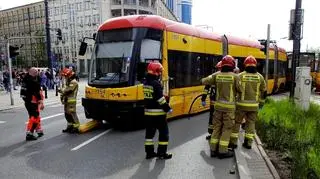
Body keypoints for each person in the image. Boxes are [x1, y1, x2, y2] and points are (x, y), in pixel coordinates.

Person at [201, 55, 241, 159]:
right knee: (227, 129)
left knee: (217, 128)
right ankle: (223, 151)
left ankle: (213, 150)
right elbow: (240, 90)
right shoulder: (235, 77)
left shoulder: (216, 75)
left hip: (217, 107)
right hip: (229, 109)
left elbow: (204, 81)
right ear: (232, 65)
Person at [229, 56, 266, 149]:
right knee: (251, 123)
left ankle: (233, 143)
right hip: (254, 106)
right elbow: (264, 91)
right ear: (255, 65)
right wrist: (261, 103)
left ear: (245, 65)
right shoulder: (260, 77)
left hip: (241, 105)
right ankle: (248, 143)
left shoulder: (240, 76)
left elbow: (234, 89)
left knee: (237, 123)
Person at [143, 61, 173, 160]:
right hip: (158, 114)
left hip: (148, 114)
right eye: (159, 72)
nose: (160, 74)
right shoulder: (156, 84)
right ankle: (161, 153)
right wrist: (168, 109)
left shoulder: (145, 83)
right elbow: (160, 99)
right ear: (156, 72)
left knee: (149, 135)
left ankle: (149, 153)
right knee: (164, 134)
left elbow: (152, 97)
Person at [20, 67, 44, 141]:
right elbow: (37, 92)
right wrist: (40, 101)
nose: (37, 75)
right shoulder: (32, 81)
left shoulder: (25, 79)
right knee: (34, 117)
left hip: (28, 101)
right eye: (36, 73)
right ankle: (30, 133)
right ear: (34, 74)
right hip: (32, 101)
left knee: (35, 116)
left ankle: (39, 130)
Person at [201, 61, 222, 140]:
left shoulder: (212, 77)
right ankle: (214, 134)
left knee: (213, 119)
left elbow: (206, 89)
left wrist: (203, 99)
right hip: (218, 103)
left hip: (215, 103)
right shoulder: (214, 77)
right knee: (215, 119)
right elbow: (206, 89)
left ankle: (214, 134)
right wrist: (203, 98)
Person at [60, 68, 80, 133]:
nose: (65, 77)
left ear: (70, 75)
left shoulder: (73, 82)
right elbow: (65, 89)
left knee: (72, 114)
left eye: (66, 76)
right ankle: (70, 126)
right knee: (67, 114)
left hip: (71, 101)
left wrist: (61, 90)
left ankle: (76, 127)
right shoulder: (68, 81)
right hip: (67, 100)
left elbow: (68, 90)